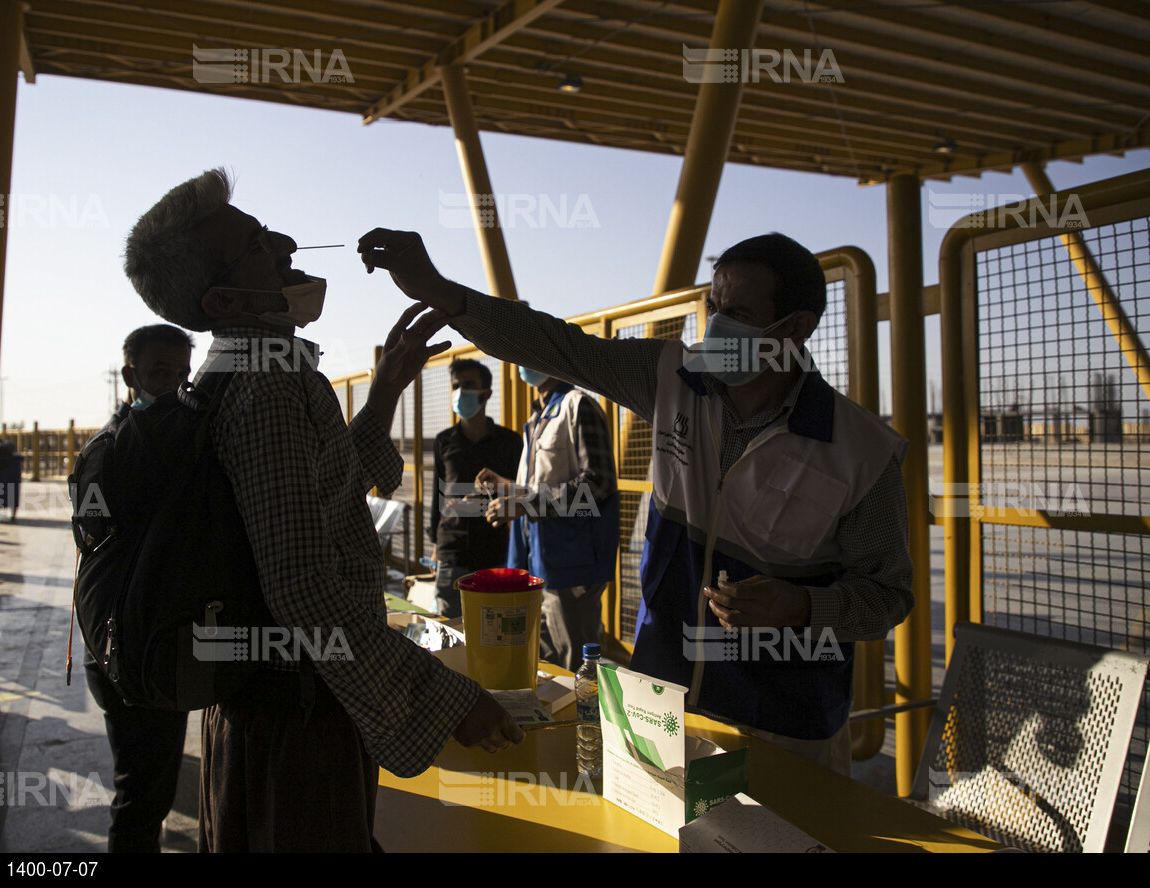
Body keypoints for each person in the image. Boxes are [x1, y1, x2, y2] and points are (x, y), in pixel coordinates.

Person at [358, 228, 914, 775]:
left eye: (738, 315)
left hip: (782, 723)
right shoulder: (674, 380)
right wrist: (441, 290)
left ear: (794, 328)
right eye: (711, 306)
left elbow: (887, 597)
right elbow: (561, 346)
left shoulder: (860, 453)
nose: (715, 327)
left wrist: (802, 608)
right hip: (662, 696)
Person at [123, 169, 522, 852]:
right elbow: (304, 585)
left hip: (266, 707)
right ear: (224, 297)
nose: (285, 243)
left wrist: (388, 389)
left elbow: (325, 490)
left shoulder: (242, 369)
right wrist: (447, 700)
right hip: (297, 719)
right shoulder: (268, 386)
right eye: (256, 245)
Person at [83, 323, 194, 853]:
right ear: (131, 375)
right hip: (134, 649)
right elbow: (97, 535)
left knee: (146, 782)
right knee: (143, 793)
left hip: (123, 641)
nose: (172, 384)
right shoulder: (118, 449)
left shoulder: (109, 442)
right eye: (160, 372)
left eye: (180, 374)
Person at [475, 367, 618, 672]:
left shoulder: (578, 406)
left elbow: (597, 485)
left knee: (574, 669)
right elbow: (545, 488)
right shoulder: (538, 418)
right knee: (543, 668)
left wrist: (525, 504)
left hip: (571, 567)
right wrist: (509, 488)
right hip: (538, 564)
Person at [428, 358, 522, 617]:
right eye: (456, 386)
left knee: (494, 634)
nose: (460, 392)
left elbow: (524, 492)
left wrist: (492, 497)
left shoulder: (510, 443)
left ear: (486, 393)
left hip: (494, 554)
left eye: (468, 385)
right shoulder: (444, 441)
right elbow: (437, 497)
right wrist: (436, 547)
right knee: (450, 634)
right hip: (452, 555)